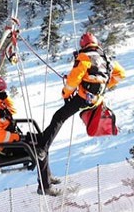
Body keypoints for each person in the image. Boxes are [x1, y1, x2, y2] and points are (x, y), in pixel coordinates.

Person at [36, 32, 126, 195]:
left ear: (83, 45)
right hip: (96, 99)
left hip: (84, 98)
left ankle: (43, 147)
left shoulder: (84, 57)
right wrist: (106, 85)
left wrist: (65, 93)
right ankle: (45, 168)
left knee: (58, 117)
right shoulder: (105, 58)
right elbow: (121, 74)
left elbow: (73, 80)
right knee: (60, 117)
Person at [0, 76, 61, 196]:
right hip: (6, 147)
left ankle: (46, 177)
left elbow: (12, 110)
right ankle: (45, 186)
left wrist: (5, 99)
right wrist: (18, 138)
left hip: (13, 140)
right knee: (40, 149)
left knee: (43, 141)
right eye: (1, 91)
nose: (3, 93)